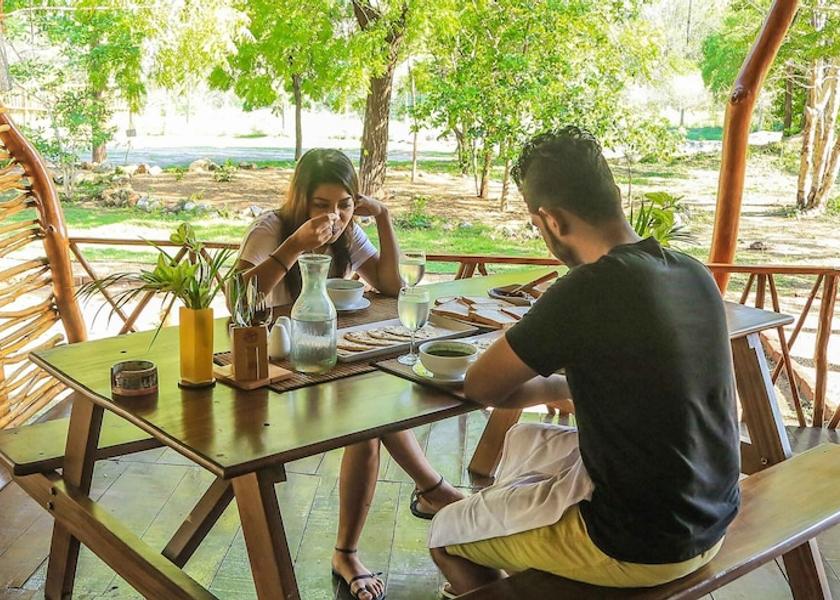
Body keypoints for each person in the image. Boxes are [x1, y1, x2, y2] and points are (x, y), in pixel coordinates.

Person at [428, 127, 740, 596]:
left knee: (446, 534)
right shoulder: (689, 271)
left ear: (551, 220)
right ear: (612, 194)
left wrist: (516, 375)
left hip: (638, 543)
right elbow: (627, 383)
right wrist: (553, 385)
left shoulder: (588, 289)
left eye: (538, 226)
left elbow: (478, 386)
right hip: (712, 515)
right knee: (526, 440)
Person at [237, 148, 463, 600]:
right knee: (370, 411)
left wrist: (380, 216)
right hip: (270, 373)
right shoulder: (272, 228)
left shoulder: (347, 230)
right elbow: (241, 298)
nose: (334, 216)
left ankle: (349, 551)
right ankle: (433, 490)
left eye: (344, 204)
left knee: (373, 413)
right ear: (300, 199)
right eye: (321, 205)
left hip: (326, 362)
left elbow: (392, 287)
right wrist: (297, 244)